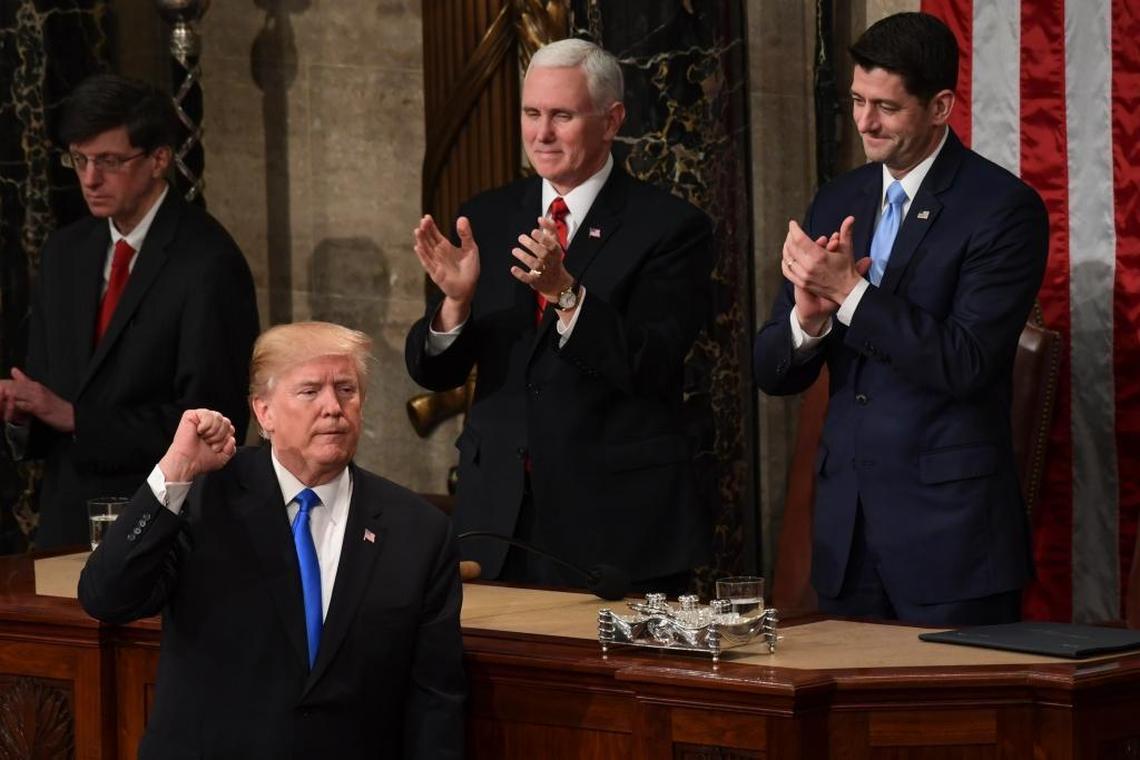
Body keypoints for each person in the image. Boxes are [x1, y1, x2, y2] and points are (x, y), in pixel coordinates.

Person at [753, 12, 1048, 625]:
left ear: (940, 106)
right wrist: (807, 323)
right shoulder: (839, 196)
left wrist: (850, 295)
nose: (864, 122)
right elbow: (772, 375)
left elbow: (964, 363)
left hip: (950, 542)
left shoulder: (1003, 209)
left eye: (886, 107)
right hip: (846, 536)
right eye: (858, 100)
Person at [405, 39, 714, 593]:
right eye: (531, 114)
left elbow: (651, 363)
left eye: (561, 116)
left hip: (613, 526)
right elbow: (435, 375)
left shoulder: (669, 227)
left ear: (611, 120)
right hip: (496, 521)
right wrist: (455, 304)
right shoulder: (489, 215)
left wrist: (567, 294)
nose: (541, 134)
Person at [79, 321, 465, 759]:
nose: (333, 407)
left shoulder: (417, 530)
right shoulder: (205, 496)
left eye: (346, 389)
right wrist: (176, 469)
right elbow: (106, 597)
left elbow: (435, 703)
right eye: (310, 391)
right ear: (264, 413)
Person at [0, 74, 259, 548]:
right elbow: (48, 400)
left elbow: (213, 425)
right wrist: (20, 415)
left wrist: (77, 418)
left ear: (159, 159)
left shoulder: (209, 262)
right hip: (66, 526)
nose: (89, 178)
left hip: (161, 529)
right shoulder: (65, 253)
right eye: (79, 160)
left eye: (109, 161)